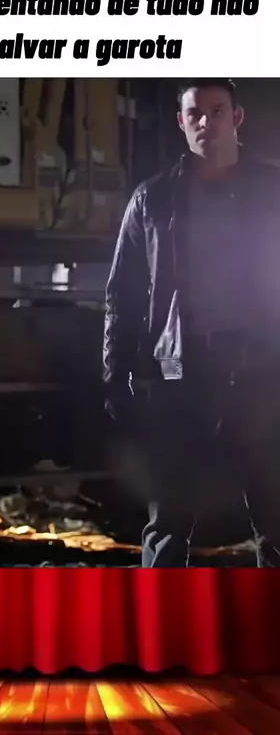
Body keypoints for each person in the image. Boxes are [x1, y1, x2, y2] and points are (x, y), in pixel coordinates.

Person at [103, 78, 280, 567]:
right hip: (183, 374)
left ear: (236, 117)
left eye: (217, 111)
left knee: (275, 512)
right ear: (181, 122)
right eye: (195, 113)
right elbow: (124, 294)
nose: (207, 122)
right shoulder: (153, 199)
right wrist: (116, 375)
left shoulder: (273, 192)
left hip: (261, 372)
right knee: (169, 518)